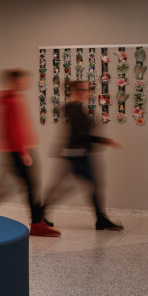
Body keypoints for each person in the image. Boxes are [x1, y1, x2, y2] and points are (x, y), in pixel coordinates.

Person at [0, 69, 58, 237]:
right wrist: (23, 152)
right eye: (23, 80)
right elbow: (13, 129)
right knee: (30, 186)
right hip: (18, 150)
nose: (25, 83)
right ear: (14, 81)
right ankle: (37, 224)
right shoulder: (11, 100)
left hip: (17, 149)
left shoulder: (12, 98)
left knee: (8, 186)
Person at [43, 80, 123, 231]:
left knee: (78, 186)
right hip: (76, 155)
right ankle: (100, 219)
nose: (88, 92)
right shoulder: (71, 109)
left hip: (78, 154)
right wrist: (103, 140)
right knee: (87, 185)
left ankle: (100, 219)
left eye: (88, 89)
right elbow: (79, 135)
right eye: (86, 89)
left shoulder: (77, 108)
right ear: (78, 91)